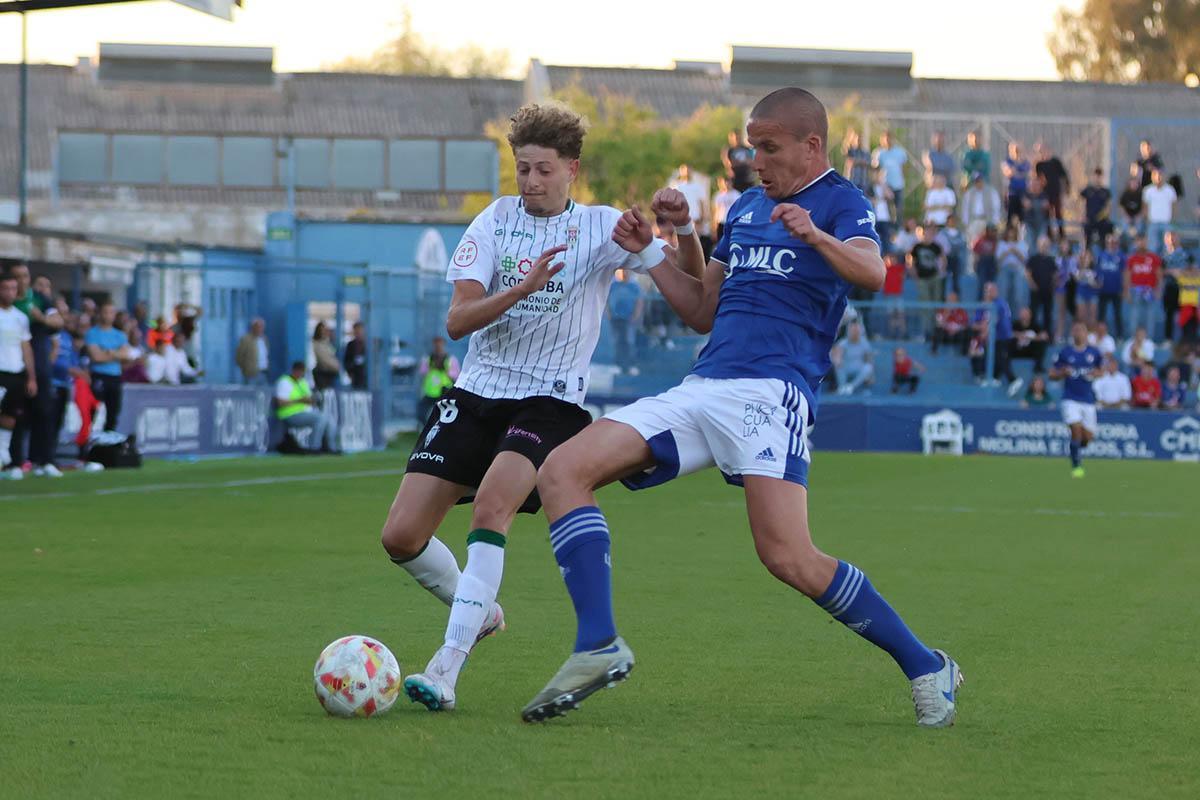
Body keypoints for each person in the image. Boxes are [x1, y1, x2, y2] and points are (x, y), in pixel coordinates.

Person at [521, 88, 961, 728]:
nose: (755, 160)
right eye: (753, 146)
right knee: (561, 471)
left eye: (770, 147)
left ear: (813, 146)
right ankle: (598, 644)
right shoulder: (750, 207)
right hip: (704, 387)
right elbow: (702, 309)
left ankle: (927, 665)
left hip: (771, 393)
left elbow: (871, 272)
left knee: (789, 558)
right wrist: (660, 246)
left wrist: (815, 235)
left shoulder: (841, 201)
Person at [388, 102, 669, 714]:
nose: (532, 181)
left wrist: (676, 236)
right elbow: (458, 320)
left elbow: (683, 284)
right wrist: (520, 289)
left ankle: (446, 667)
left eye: (544, 169)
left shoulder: (600, 228)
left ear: (572, 168)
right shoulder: (492, 222)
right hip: (477, 391)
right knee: (401, 536)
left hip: (549, 401)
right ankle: (479, 611)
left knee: (493, 505)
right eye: (523, 169)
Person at [1049, 322, 1104, 477]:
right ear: (1072, 334)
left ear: (1087, 334)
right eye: (1075, 330)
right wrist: (1062, 373)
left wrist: (1095, 373)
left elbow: (1102, 371)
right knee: (1076, 430)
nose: (1078, 333)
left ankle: (1075, 450)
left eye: (1081, 330)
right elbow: (1052, 374)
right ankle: (1076, 466)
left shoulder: (1094, 352)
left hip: (1088, 400)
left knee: (1087, 438)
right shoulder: (1065, 353)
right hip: (1070, 399)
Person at [0, 272, 38, 480]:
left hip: (15, 373)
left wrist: (31, 377)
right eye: (5, 288)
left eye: (13, 289)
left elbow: (26, 348)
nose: (10, 293)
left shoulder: (20, 318)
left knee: (10, 416)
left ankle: (4, 456)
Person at [274, 361, 338, 453]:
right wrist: (300, 401)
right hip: (290, 414)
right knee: (320, 418)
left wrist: (312, 401)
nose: (301, 374)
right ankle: (314, 447)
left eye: (302, 372)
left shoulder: (302, 382)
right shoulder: (284, 382)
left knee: (329, 418)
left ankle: (332, 448)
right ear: (294, 370)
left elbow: (309, 399)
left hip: (305, 412)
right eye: (299, 371)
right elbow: (280, 403)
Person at [85, 301, 128, 433]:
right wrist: (116, 353)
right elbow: (96, 357)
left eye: (111, 312)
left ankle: (109, 445)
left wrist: (107, 352)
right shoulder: (92, 333)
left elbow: (125, 355)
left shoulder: (120, 335)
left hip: (115, 377)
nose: (108, 315)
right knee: (94, 412)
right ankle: (88, 444)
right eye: (105, 312)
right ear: (100, 314)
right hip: (99, 376)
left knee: (113, 413)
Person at [978, 281, 1022, 395]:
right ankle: (994, 378)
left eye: (990, 290)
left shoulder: (998, 303)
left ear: (995, 291)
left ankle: (1013, 379)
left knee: (1001, 358)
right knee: (994, 356)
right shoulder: (990, 303)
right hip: (997, 337)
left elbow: (995, 319)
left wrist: (986, 331)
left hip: (1002, 336)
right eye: (986, 291)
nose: (988, 293)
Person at [908, 225, 944, 337]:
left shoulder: (936, 246)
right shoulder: (917, 247)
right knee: (925, 305)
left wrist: (941, 271)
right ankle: (926, 331)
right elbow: (910, 260)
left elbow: (943, 258)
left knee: (936, 303)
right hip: (922, 278)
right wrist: (914, 274)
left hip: (934, 277)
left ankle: (936, 330)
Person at [1124, 236, 1162, 339]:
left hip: (1150, 290)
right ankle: (1133, 338)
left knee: (1150, 316)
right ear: (1136, 243)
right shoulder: (1132, 258)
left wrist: (1158, 290)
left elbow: (1159, 274)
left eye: (1144, 242)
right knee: (1134, 315)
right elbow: (1127, 274)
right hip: (1136, 290)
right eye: (1140, 242)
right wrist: (1126, 291)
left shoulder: (1154, 258)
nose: (1142, 244)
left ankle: (1148, 339)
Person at [671, 163, 711, 258]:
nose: (687, 172)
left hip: (696, 220)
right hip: (682, 220)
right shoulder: (677, 186)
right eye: (684, 170)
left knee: (698, 246)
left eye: (688, 170)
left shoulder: (698, 186)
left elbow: (701, 202)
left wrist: (702, 218)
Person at [416, 336, 459, 424]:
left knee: (444, 415)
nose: (438, 346)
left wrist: (447, 371)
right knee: (421, 413)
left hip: (444, 392)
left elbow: (456, 375)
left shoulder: (450, 359)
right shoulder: (428, 359)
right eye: (436, 344)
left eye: (440, 344)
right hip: (430, 392)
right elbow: (422, 372)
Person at [1033, 141, 1069, 241]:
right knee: (1046, 214)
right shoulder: (1039, 164)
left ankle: (1062, 234)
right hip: (1045, 194)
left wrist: (1066, 191)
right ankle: (1048, 235)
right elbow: (1038, 179)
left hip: (1055, 192)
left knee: (1058, 213)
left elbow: (1064, 176)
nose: (1041, 153)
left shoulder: (1055, 162)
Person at [1095, 234, 1126, 338]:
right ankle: (1099, 335)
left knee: (1117, 315)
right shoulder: (1101, 255)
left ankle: (1119, 336)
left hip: (1116, 290)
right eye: (1110, 242)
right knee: (1101, 315)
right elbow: (1097, 271)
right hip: (1103, 290)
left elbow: (1125, 273)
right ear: (1106, 243)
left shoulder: (1121, 256)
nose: (1112, 244)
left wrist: (1124, 288)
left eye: (1114, 242)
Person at [1025, 236, 1057, 334]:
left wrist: (1053, 286)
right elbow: (1027, 273)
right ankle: (1032, 333)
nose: (1044, 247)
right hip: (1036, 291)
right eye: (1042, 245)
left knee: (1048, 314)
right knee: (1033, 313)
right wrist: (1032, 284)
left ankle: (1047, 335)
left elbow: (1055, 275)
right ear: (1038, 246)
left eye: (1046, 245)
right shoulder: (1033, 259)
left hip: (1047, 291)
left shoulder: (1051, 260)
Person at [871, 129, 907, 215]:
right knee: (885, 211)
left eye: (889, 138)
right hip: (885, 186)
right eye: (885, 139)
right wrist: (881, 184)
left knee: (898, 209)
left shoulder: (900, 152)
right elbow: (875, 169)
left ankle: (898, 227)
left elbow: (905, 167)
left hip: (898, 184)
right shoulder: (878, 153)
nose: (887, 141)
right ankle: (887, 227)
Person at [833, 321, 875, 395]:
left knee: (868, 367)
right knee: (838, 365)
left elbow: (869, 360)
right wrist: (838, 361)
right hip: (846, 368)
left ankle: (851, 387)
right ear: (848, 332)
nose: (855, 333)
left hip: (858, 368)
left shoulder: (865, 343)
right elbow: (838, 357)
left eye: (857, 331)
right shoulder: (843, 343)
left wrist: (871, 375)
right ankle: (842, 387)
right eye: (852, 331)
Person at [1142, 169, 1176, 254]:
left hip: (1166, 223)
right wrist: (1147, 219)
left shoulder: (1170, 190)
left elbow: (1174, 206)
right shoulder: (1148, 190)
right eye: (1155, 175)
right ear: (1152, 177)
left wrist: (1172, 219)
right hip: (1153, 223)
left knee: (1167, 247)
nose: (1158, 177)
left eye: (1160, 175)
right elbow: (1145, 206)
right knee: (1152, 247)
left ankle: (1166, 265)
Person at [961, 172, 1001, 243]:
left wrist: (995, 221)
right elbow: (965, 209)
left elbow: (996, 207)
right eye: (976, 181)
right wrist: (966, 223)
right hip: (973, 220)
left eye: (980, 181)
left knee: (987, 242)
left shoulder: (991, 192)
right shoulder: (969, 193)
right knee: (972, 242)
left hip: (987, 220)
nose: (978, 183)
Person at [1161, 232, 1187, 342]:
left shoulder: (1185, 254)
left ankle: (1184, 340)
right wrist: (1172, 271)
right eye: (1169, 238)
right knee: (1169, 314)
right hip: (1169, 287)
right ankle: (1168, 339)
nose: (1172, 240)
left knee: (1184, 315)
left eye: (1174, 238)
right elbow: (1160, 271)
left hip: (1183, 289)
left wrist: (1179, 272)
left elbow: (1189, 270)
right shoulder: (1164, 255)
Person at [996, 226, 1028, 314]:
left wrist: (1015, 251)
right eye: (1009, 232)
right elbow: (998, 259)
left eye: (1013, 232)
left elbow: (1025, 260)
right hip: (1005, 269)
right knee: (1003, 293)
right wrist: (1007, 251)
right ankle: (1003, 315)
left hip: (1017, 269)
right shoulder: (1002, 244)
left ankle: (1018, 318)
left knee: (1019, 295)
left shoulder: (1022, 244)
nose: (1011, 234)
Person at [1054, 238, 1079, 343]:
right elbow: (1055, 273)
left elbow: (1075, 272)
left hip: (1071, 287)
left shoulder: (1074, 259)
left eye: (1066, 245)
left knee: (1073, 312)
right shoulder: (1057, 259)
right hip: (1060, 287)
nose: (1064, 247)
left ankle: (1072, 335)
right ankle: (1059, 334)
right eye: (1062, 245)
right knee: (1061, 312)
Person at [1002, 141, 1031, 228]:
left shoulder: (1025, 162)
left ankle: (1022, 236)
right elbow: (1009, 173)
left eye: (1018, 150)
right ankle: (1009, 235)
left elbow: (1027, 174)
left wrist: (1017, 172)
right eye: (1015, 150)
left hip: (1023, 193)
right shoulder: (1007, 161)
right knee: (1010, 217)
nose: (1017, 152)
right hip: (1012, 193)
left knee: (1023, 218)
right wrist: (1017, 164)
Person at [1012, 307, 1050, 374]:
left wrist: (1030, 337)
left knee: (1042, 344)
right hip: (1017, 350)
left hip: (1030, 350)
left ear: (1030, 315)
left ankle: (1038, 366)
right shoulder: (1015, 324)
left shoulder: (1035, 326)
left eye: (1026, 314)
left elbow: (1045, 336)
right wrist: (1019, 335)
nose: (1024, 316)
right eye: (1023, 314)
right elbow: (1008, 333)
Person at [1080, 168, 1113, 247]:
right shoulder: (1088, 190)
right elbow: (1080, 202)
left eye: (1099, 176)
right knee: (1088, 238)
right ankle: (1086, 252)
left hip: (1101, 219)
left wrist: (1103, 215)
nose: (1097, 179)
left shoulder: (1105, 191)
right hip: (1090, 219)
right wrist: (1082, 215)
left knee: (1107, 231)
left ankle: (1104, 252)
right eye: (1096, 176)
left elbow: (1108, 206)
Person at [936, 215, 967, 297]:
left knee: (956, 281)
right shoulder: (942, 233)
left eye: (954, 220)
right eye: (950, 220)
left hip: (956, 259)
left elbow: (963, 245)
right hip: (945, 259)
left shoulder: (960, 233)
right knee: (943, 280)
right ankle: (942, 301)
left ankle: (957, 301)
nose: (952, 222)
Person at [235, 318, 269, 385]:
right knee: (250, 393)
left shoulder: (264, 339)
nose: (260, 329)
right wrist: (246, 369)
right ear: (253, 328)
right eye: (258, 327)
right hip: (251, 374)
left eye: (262, 327)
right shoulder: (246, 339)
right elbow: (239, 357)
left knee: (263, 393)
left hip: (263, 373)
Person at [1174, 255, 1200, 341]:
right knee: (1184, 329)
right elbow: (1173, 272)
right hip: (1184, 306)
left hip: (1194, 307)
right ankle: (1186, 348)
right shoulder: (1182, 277)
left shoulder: (1197, 278)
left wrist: (1194, 271)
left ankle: (1193, 349)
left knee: (1194, 329)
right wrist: (1186, 271)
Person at [868, 169, 894, 252]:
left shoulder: (885, 187)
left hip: (886, 219)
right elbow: (870, 200)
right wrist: (880, 199)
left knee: (887, 242)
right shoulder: (870, 187)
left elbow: (891, 196)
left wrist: (883, 184)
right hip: (875, 219)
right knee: (876, 242)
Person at [972, 224, 1000, 299]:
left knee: (992, 285)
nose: (992, 232)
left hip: (992, 264)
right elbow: (976, 253)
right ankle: (980, 304)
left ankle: (992, 302)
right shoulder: (980, 240)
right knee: (982, 284)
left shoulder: (996, 241)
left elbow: (996, 254)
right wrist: (975, 264)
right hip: (982, 263)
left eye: (994, 231)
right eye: (991, 230)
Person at [1074, 248, 1100, 329]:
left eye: (1088, 257)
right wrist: (1083, 268)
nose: (1086, 258)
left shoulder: (1096, 268)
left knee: (1092, 316)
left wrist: (1092, 283)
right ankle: (1082, 334)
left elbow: (1099, 285)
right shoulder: (1077, 268)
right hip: (1081, 294)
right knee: (1081, 316)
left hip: (1092, 295)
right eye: (1084, 257)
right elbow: (1076, 278)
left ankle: (1091, 334)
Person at [711, 176, 741, 243]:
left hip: (732, 222)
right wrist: (714, 228)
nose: (726, 184)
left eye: (728, 182)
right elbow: (715, 212)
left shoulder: (737, 195)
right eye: (724, 182)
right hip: (721, 222)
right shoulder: (718, 196)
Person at [311, 321, 340, 390]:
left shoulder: (329, 343)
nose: (325, 332)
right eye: (323, 330)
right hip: (323, 373)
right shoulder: (317, 344)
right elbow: (324, 359)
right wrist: (338, 366)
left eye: (326, 330)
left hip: (332, 373)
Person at [841, 128, 871, 194]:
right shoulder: (850, 151)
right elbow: (850, 161)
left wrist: (857, 162)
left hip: (863, 183)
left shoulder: (865, 153)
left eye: (860, 139)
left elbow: (868, 164)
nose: (859, 141)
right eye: (857, 139)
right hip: (852, 182)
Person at [343, 321, 368, 390]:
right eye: (356, 331)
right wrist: (350, 373)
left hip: (367, 376)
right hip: (355, 377)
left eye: (360, 331)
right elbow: (346, 361)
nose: (358, 333)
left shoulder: (369, 344)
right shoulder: (350, 345)